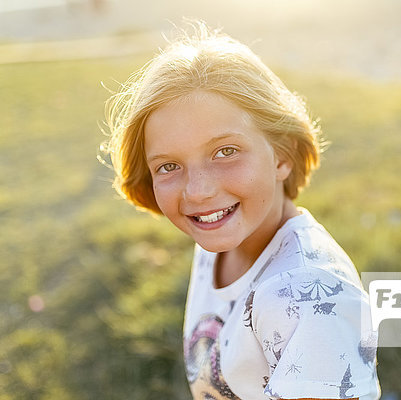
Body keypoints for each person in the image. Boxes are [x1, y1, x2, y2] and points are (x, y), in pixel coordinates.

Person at [104, 21, 379, 400]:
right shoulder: (223, 235)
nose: (198, 192)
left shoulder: (307, 301)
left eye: (225, 152)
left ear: (282, 154)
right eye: (169, 166)